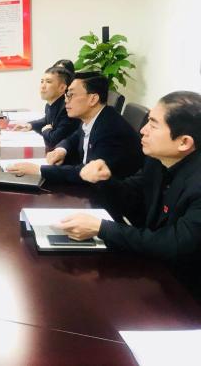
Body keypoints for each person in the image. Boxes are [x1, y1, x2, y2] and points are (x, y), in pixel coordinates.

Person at [58, 91, 201, 298]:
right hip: (155, 271)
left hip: (187, 292)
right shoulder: (157, 160)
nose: (143, 130)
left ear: (184, 142)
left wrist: (102, 228)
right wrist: (104, 180)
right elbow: (133, 201)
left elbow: (175, 244)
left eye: (153, 125)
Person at [7, 72, 144, 183]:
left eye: (71, 95)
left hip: (107, 199)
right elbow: (75, 136)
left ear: (93, 99)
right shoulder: (94, 117)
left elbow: (87, 174)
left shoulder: (110, 130)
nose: (66, 100)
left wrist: (39, 170)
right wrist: (61, 150)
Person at [12, 65, 79, 148]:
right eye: (42, 81)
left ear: (62, 88)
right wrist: (30, 125)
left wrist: (46, 130)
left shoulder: (67, 108)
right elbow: (46, 120)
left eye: (48, 82)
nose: (43, 86)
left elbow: (54, 139)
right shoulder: (50, 104)